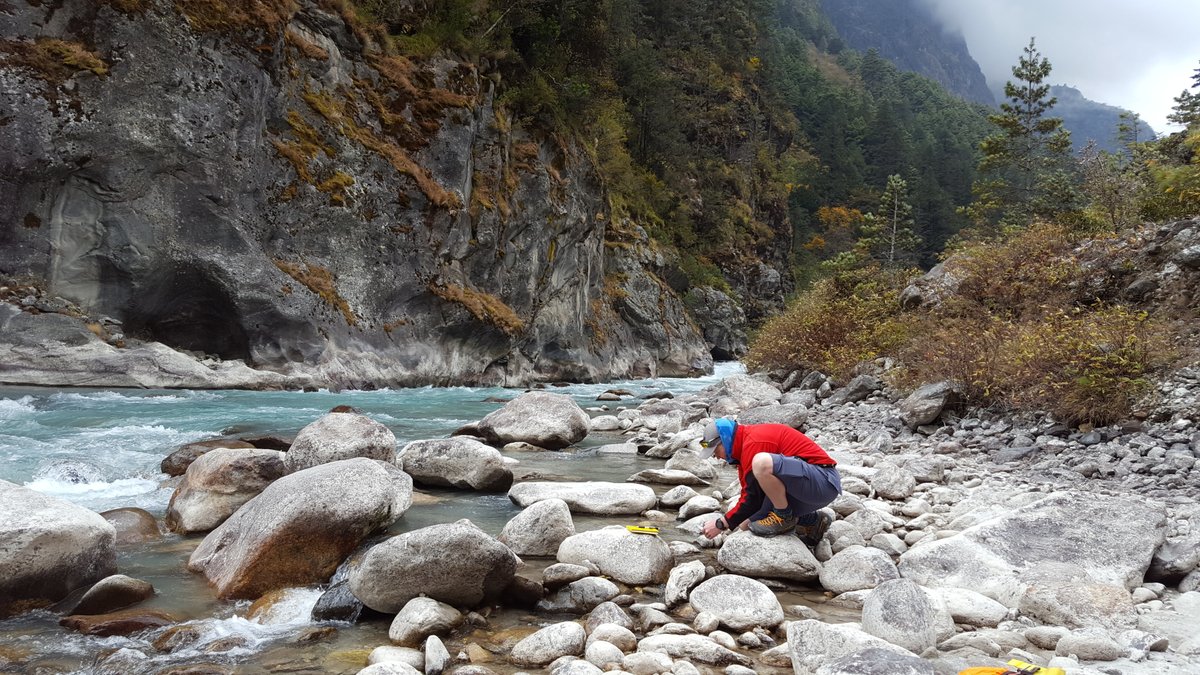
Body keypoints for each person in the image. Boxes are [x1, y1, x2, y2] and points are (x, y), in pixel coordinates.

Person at [698, 418, 841, 544]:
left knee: (761, 463)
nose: (716, 457)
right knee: (745, 525)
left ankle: (783, 517)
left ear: (725, 439)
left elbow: (752, 498)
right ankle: (814, 521)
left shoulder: (754, 443)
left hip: (823, 481)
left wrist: (721, 523)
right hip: (806, 487)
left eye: (715, 451)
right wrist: (732, 521)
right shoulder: (743, 450)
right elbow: (751, 495)